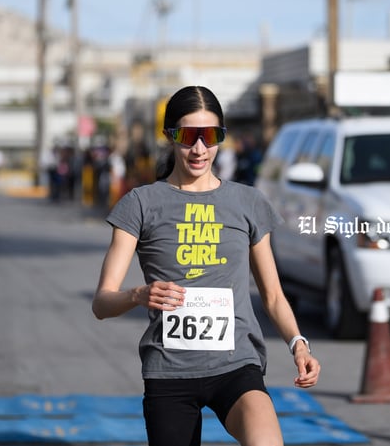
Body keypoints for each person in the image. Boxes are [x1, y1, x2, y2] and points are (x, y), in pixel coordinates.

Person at [92, 86, 320, 446]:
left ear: (221, 138)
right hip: (169, 373)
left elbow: (273, 295)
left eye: (210, 136)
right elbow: (101, 304)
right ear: (170, 136)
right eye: (188, 136)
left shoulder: (248, 202)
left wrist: (299, 345)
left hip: (236, 367)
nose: (199, 149)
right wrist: (139, 294)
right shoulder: (140, 204)